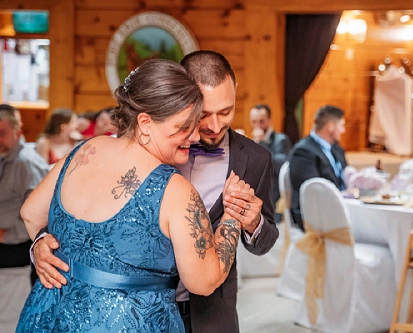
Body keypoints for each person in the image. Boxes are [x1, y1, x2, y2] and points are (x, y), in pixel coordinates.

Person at [31, 51, 279, 333]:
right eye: (203, 114)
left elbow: (266, 239)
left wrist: (253, 223)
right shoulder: (129, 149)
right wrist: (42, 241)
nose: (213, 126)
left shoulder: (256, 159)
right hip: (135, 314)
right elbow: (64, 213)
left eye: (225, 112)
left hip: (210, 315)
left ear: (235, 91)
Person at [0, 104, 49, 329]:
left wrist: (6, 234)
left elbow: (43, 215)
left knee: (9, 321)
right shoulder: (5, 158)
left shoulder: (28, 163)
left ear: (18, 132)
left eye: (2, 133)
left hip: (16, 258)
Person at [289, 105, 347, 231]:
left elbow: (345, 178)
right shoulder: (304, 151)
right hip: (315, 216)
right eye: (341, 126)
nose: (343, 131)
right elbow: (313, 192)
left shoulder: (337, 149)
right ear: (330, 126)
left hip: (338, 207)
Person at [250, 104, 291, 222]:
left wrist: (261, 144)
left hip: (272, 198)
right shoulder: (249, 141)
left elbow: (280, 166)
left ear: (269, 120)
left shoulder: (281, 140)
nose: (257, 126)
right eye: (254, 122)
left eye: (261, 121)